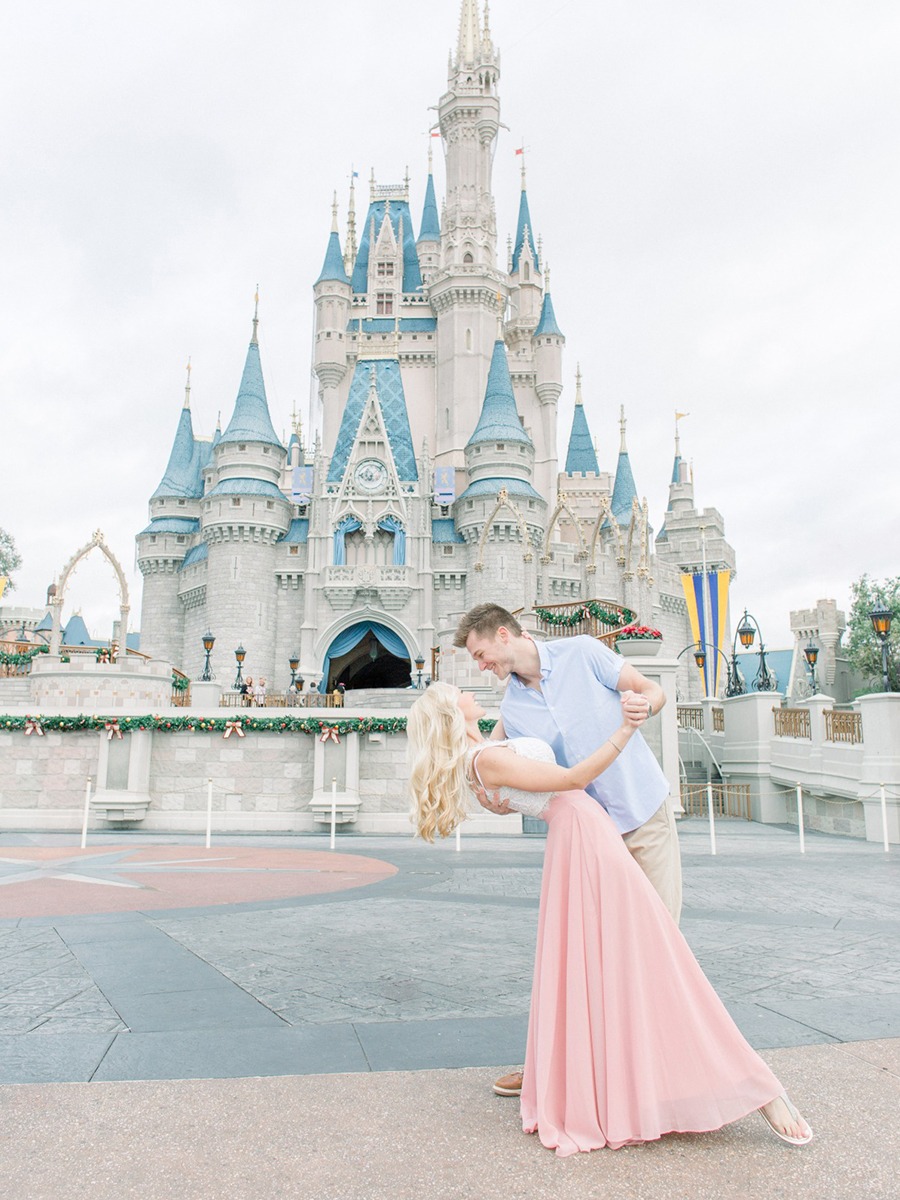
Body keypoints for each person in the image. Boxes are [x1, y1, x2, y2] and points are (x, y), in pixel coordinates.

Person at [407, 682, 813, 1157]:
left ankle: (653, 1080)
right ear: (451, 710)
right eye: (456, 690)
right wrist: (625, 730)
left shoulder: (485, 748)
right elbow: (573, 779)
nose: (467, 687)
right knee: (661, 955)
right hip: (584, 833)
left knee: (632, 958)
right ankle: (759, 1088)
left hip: (581, 837)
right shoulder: (483, 762)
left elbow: (513, 732)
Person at [455, 603, 680, 1098]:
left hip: (644, 814)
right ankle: (556, 1066)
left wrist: (646, 705)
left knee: (661, 943)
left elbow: (650, 689)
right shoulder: (511, 709)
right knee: (586, 952)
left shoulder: (582, 652)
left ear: (503, 634)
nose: (480, 665)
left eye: (481, 654)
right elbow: (507, 769)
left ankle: (668, 1068)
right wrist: (497, 801)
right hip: (592, 839)